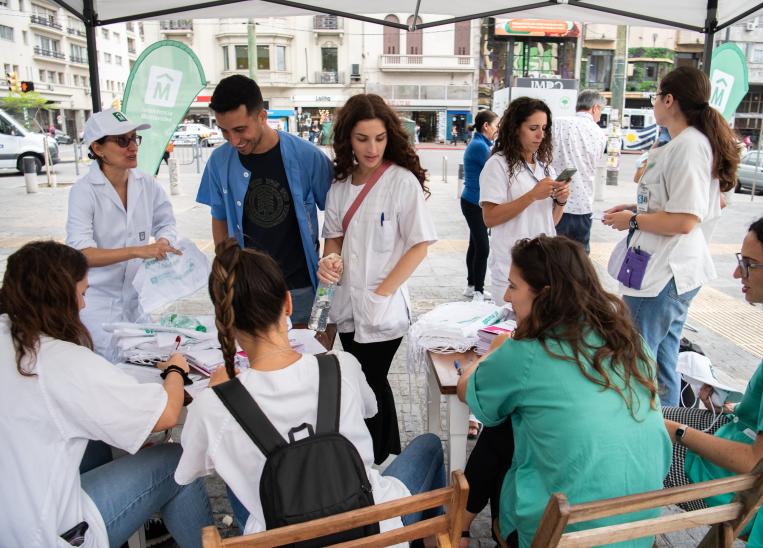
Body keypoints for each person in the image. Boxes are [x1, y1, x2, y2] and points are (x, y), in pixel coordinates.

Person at [175, 240, 445, 538]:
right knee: (430, 444)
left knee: (239, 471)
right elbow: (371, 408)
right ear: (288, 303)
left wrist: (220, 394)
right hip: (376, 533)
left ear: (225, 324)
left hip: (280, 540)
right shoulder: (342, 365)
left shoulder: (213, 405)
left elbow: (187, 471)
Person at [456, 235, 671, 547]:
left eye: (514, 286)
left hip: (556, 536)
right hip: (636, 532)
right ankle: (461, 525)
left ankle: (459, 525)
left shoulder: (527, 353)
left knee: (501, 421)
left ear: (545, 295)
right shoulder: (632, 342)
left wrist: (493, 352)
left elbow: (466, 389)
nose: (505, 296)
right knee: (519, 419)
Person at [0, 241, 212, 548]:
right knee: (175, 459)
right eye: (82, 294)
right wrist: (176, 370)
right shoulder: (60, 360)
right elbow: (165, 415)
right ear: (59, 297)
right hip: (47, 534)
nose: (84, 306)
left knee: (93, 445)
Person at [663, 213, 763, 547]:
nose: (737, 273)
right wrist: (742, 402)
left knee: (627, 443)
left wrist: (675, 432)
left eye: (749, 264)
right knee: (646, 417)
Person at [603, 66, 739, 406]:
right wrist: (636, 208)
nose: (654, 105)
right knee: (661, 358)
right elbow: (674, 203)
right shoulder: (683, 143)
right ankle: (669, 433)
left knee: (638, 355)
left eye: (655, 97)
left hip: (666, 273)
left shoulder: (690, 146)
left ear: (669, 100)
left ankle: (650, 435)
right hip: (664, 270)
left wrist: (633, 220)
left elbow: (684, 220)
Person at [318, 93, 437, 464]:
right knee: (362, 379)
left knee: (370, 379)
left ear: (391, 137)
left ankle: (377, 459)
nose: (372, 148)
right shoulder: (339, 186)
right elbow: (333, 239)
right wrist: (329, 262)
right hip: (346, 306)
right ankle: (377, 458)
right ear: (347, 139)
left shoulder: (402, 183)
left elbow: (420, 245)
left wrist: (382, 292)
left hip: (383, 309)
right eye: (362, 138)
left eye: (380, 138)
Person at [195, 75, 334, 324]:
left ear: (262, 116)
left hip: (303, 288)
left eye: (240, 130)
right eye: (224, 131)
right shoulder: (218, 161)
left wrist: (326, 295)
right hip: (249, 291)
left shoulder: (308, 156)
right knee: (253, 362)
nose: (233, 140)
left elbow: (338, 221)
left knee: (312, 358)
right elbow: (220, 218)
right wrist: (227, 273)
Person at [66, 108, 180, 361]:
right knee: (106, 374)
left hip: (137, 300)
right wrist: (139, 250)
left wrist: (163, 241)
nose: (132, 147)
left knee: (144, 367)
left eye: (133, 139)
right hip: (97, 304)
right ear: (98, 149)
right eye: (121, 141)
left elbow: (166, 223)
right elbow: (81, 253)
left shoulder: (146, 183)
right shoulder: (84, 192)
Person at [479, 96, 570, 305]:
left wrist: (561, 201)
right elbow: (490, 218)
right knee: (512, 330)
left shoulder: (546, 167)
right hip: (511, 268)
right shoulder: (498, 165)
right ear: (515, 128)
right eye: (533, 128)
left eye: (544, 128)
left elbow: (549, 222)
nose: (540, 135)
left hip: (544, 266)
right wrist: (531, 196)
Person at [551, 89, 607, 253]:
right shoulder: (599, 134)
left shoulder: (557, 123)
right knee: (579, 257)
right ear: (595, 108)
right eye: (601, 111)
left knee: (553, 254)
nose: (599, 116)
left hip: (556, 202)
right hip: (582, 205)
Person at [461, 109, 499, 302]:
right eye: (496, 126)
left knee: (475, 245)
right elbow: (495, 167)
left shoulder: (482, 143)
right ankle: (478, 290)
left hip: (473, 201)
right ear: (486, 126)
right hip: (474, 203)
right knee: (483, 247)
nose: (497, 129)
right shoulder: (479, 146)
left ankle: (471, 286)